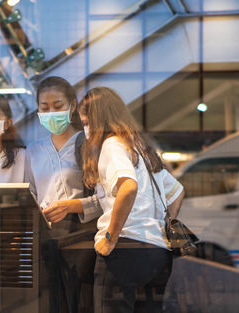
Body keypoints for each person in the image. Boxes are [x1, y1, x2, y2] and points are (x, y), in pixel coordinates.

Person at [79, 87, 184, 313]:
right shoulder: (139, 148)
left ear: (98, 119)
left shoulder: (112, 145)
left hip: (125, 250)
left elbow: (128, 187)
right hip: (158, 252)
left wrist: (110, 237)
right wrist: (162, 226)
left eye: (86, 122)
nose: (85, 129)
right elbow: (177, 192)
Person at [25, 76, 102, 313]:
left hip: (82, 235)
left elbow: (109, 198)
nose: (51, 113)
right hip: (45, 237)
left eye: (57, 106)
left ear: (72, 105)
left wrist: (72, 205)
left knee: (81, 300)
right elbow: (30, 194)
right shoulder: (33, 150)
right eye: (44, 108)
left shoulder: (89, 145)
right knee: (50, 301)